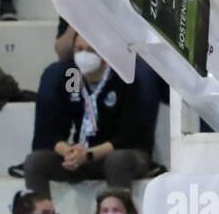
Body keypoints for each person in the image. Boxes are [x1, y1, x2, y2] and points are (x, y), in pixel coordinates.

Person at [22, 36, 157, 195]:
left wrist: (88, 154)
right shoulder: (71, 78)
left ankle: (117, 213)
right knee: (35, 161)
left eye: (90, 50)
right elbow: (50, 132)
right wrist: (69, 152)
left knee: (117, 160)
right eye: (79, 49)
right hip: (80, 155)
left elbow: (128, 137)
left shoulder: (123, 77)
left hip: (120, 153)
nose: (83, 55)